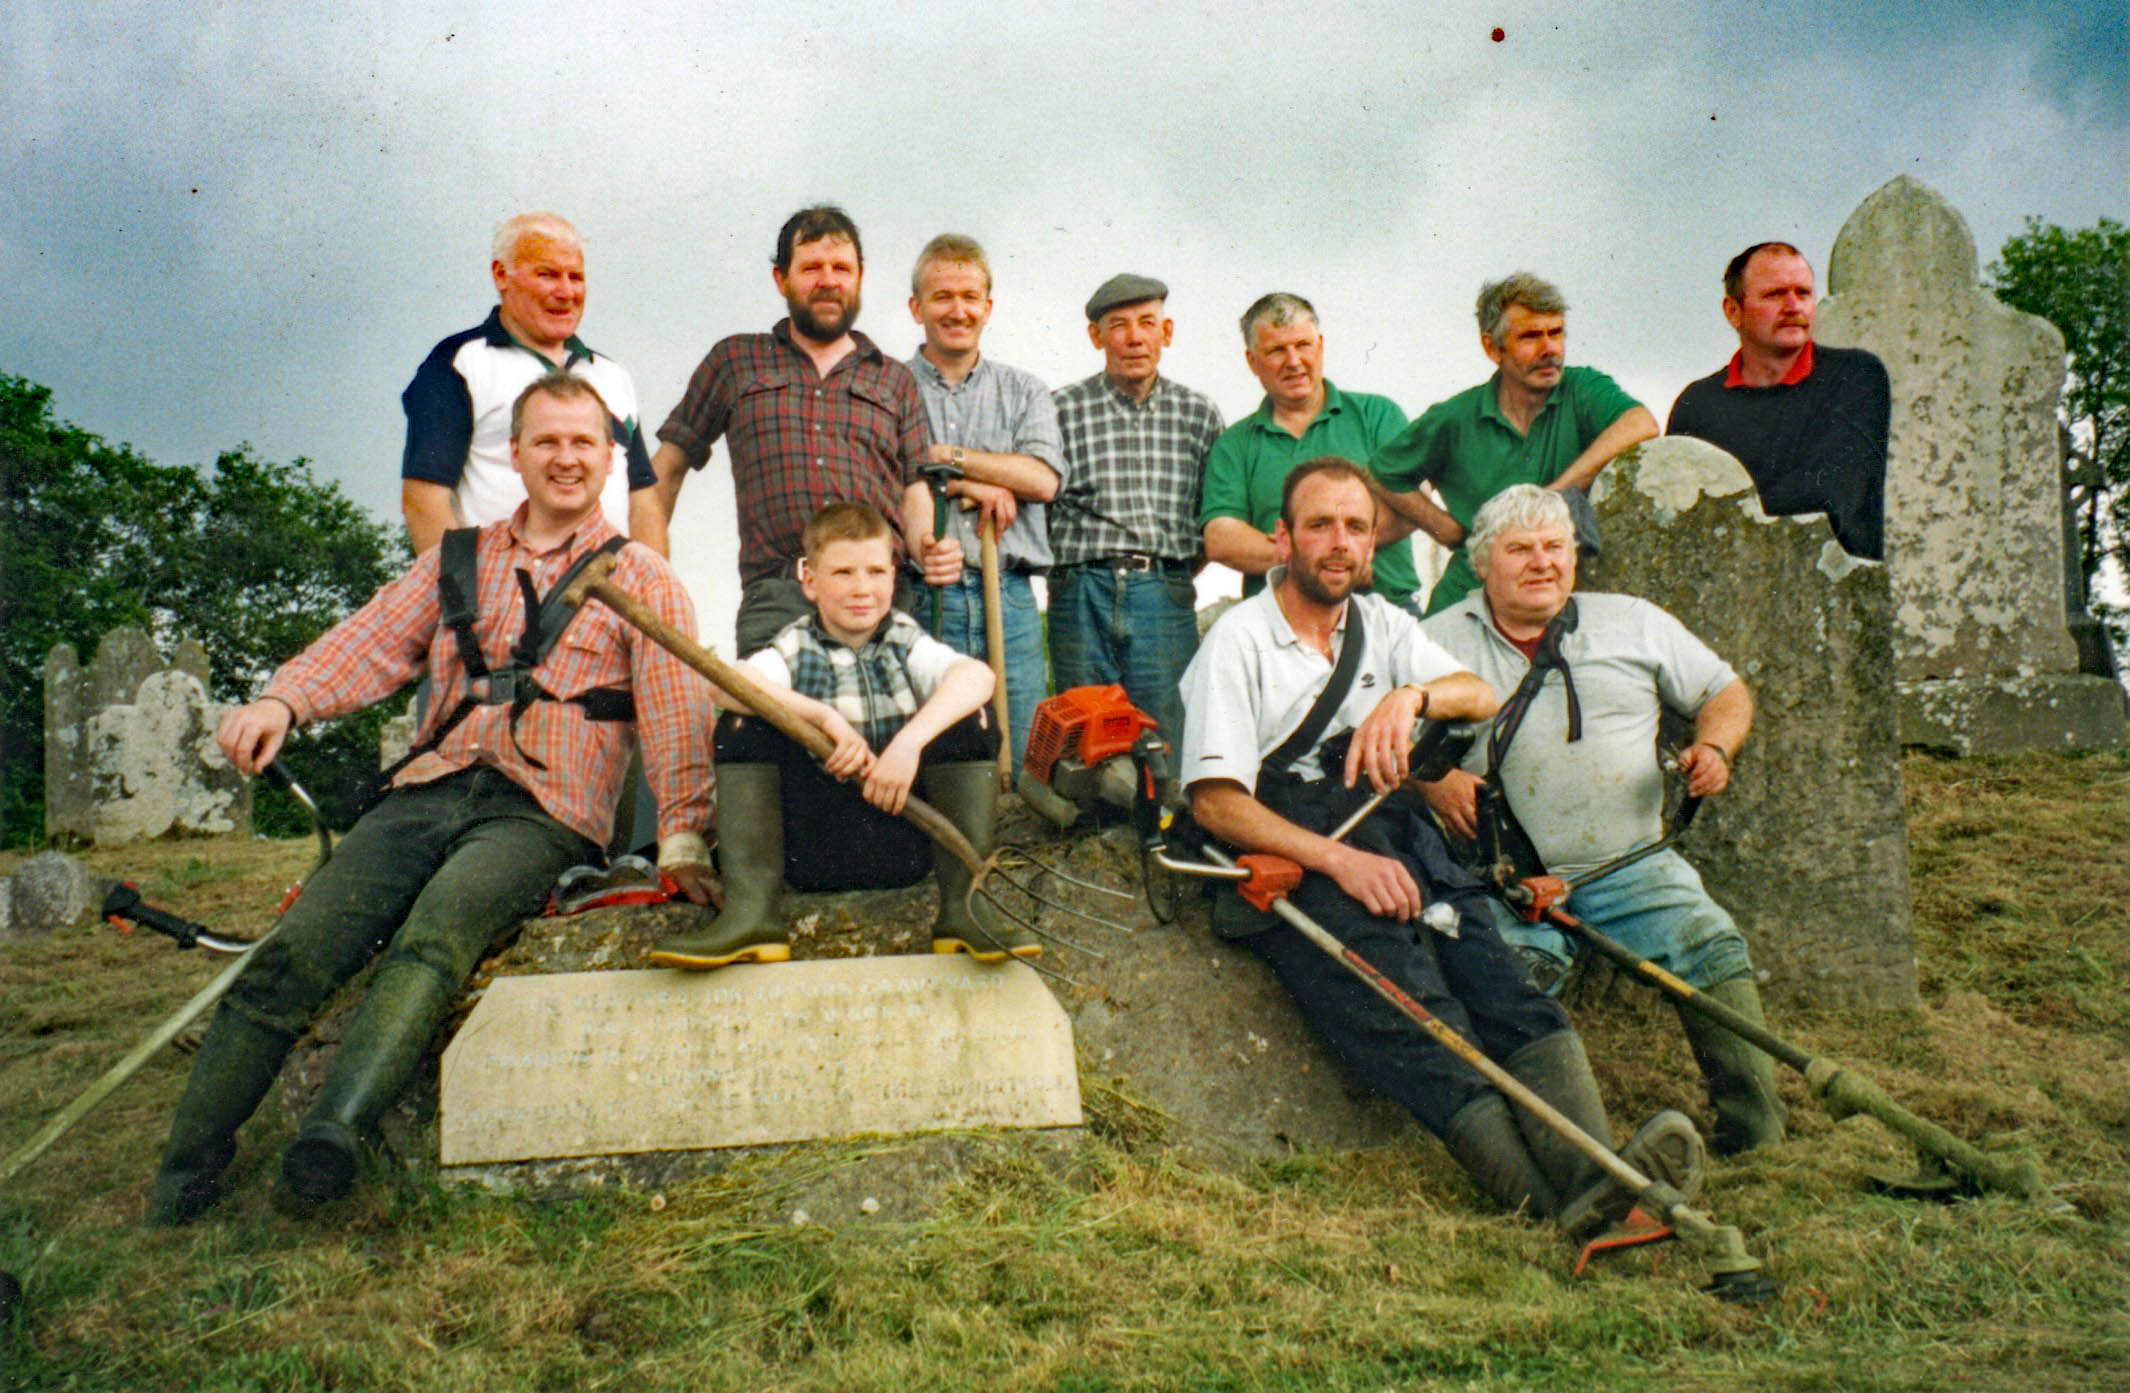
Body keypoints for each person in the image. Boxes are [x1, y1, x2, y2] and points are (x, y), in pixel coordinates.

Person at [147, 375, 714, 1225]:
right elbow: (367, 645)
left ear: (610, 457)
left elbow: (676, 717)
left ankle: (331, 1136)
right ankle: (181, 1177)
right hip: (426, 788)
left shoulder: (643, 579)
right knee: (293, 954)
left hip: (543, 810)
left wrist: (683, 836)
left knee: (436, 934)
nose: (566, 459)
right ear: (514, 453)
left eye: (584, 443)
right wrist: (282, 700)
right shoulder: (458, 557)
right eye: (547, 441)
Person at [1179, 458, 1704, 1230]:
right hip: (1300, 850)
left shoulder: (1384, 624)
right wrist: (1340, 861)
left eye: (1356, 527)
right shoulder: (1240, 639)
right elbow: (1217, 802)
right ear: (1281, 538)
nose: (1339, 543)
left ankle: (1596, 1180)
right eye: (1319, 524)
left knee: (1502, 985)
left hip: (1393, 828)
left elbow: (1479, 694)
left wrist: (1409, 695)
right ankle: (1562, 1203)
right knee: (1416, 1015)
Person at [1419, 484, 1785, 1155]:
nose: (1542, 562)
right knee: (1506, 981)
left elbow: (1723, 690)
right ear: (1481, 562)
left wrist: (1715, 746)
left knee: (1711, 942)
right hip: (1500, 884)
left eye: (1555, 547)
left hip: (1633, 863)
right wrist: (1435, 782)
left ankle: (1758, 1137)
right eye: (1520, 549)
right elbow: (1373, 740)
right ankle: (1544, 1149)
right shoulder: (1431, 640)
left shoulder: (1634, 622)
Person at [647, 502, 1030, 970]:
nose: (862, 589)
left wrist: (908, 744)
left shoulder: (907, 641)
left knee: (969, 714)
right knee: (742, 721)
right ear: (810, 579)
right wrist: (822, 718)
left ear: (893, 576)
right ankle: (751, 917)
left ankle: (966, 912)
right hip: (816, 847)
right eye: (843, 573)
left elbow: (977, 677)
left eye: (874, 572)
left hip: (905, 838)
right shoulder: (795, 646)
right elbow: (725, 683)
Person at [641, 206, 954, 653]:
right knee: (770, 723)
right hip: (778, 598)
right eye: (811, 267)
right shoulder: (735, 362)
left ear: (859, 277)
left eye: (841, 268)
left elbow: (916, 492)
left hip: (880, 600)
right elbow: (662, 473)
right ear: (781, 279)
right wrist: (650, 577)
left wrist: (929, 548)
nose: (828, 280)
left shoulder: (894, 380)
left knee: (886, 725)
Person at [1370, 273, 1656, 615]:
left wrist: (1553, 495)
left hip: (1554, 600)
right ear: (1492, 347)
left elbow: (1641, 423)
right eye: (1531, 336)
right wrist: (1445, 529)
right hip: (1466, 603)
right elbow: (1381, 473)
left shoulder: (1583, 389)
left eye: (1557, 332)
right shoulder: (1455, 417)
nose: (1549, 349)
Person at [900, 233, 1066, 771]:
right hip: (925, 595)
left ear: (988, 308)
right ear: (916, 307)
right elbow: (887, 474)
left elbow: (1040, 480)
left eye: (970, 297)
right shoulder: (889, 386)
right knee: (934, 758)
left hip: (1009, 595)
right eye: (942, 297)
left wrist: (950, 460)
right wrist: (979, 484)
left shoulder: (1024, 390)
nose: (958, 310)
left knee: (1022, 756)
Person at [400, 212, 657, 553]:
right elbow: (424, 498)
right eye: (548, 275)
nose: (566, 292)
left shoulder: (612, 375)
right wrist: (464, 603)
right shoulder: (460, 363)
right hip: (503, 598)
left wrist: (650, 598)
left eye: (576, 277)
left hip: (608, 597)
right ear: (501, 275)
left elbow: (642, 499)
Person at [1049, 273, 1225, 748]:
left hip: (1163, 594)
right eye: (1119, 325)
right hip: (1081, 589)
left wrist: (1167, 575)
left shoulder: (1199, 413)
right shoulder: (1060, 409)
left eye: (1147, 323)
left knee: (1167, 729)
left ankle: (1165, 822)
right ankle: (1096, 825)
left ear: (1165, 333)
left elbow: (1211, 516)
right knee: (1086, 731)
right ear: (1096, 336)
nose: (1134, 337)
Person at [1667, 242, 1890, 560]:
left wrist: (1726, 510)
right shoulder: (1696, 406)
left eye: (1803, 293)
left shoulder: (1856, 377)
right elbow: (1680, 520)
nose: (1793, 306)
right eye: (1775, 294)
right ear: (1733, 311)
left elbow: (1831, 497)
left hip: (1833, 593)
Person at [1200, 293, 1420, 608]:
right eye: (1276, 350)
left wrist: (1315, 553)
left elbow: (1412, 508)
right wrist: (1330, 561)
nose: (1293, 362)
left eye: (1302, 345)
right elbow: (1222, 539)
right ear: (1252, 361)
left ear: (1320, 346)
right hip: (1278, 621)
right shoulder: (1234, 444)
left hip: (1385, 608)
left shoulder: (1378, 416)